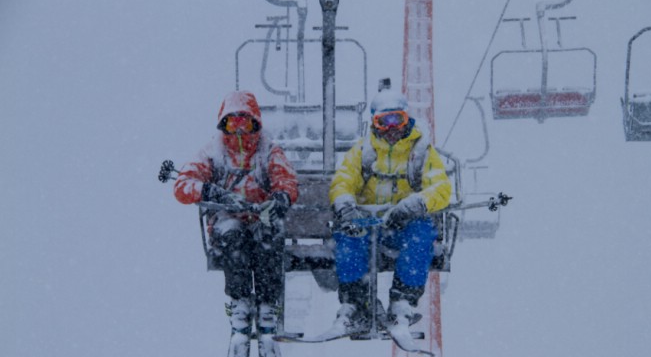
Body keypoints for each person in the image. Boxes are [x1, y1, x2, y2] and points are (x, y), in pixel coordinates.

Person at [327, 81, 451, 337]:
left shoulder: (421, 153)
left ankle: (402, 302)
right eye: (385, 121)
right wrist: (347, 208)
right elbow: (343, 181)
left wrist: (414, 205)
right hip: (367, 226)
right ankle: (354, 302)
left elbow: (440, 188)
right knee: (349, 234)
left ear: (407, 120)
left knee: (421, 233)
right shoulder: (363, 151)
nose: (392, 128)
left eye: (398, 119)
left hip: (400, 227)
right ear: (374, 123)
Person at [173, 90, 298, 336]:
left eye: (245, 122)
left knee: (268, 237)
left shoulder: (268, 151)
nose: (239, 130)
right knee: (233, 238)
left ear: (255, 123)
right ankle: (240, 300)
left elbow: (286, 180)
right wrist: (209, 191)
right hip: (228, 219)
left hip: (261, 216)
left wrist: (279, 199)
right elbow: (182, 186)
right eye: (233, 122)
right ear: (224, 124)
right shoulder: (213, 153)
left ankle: (267, 302)